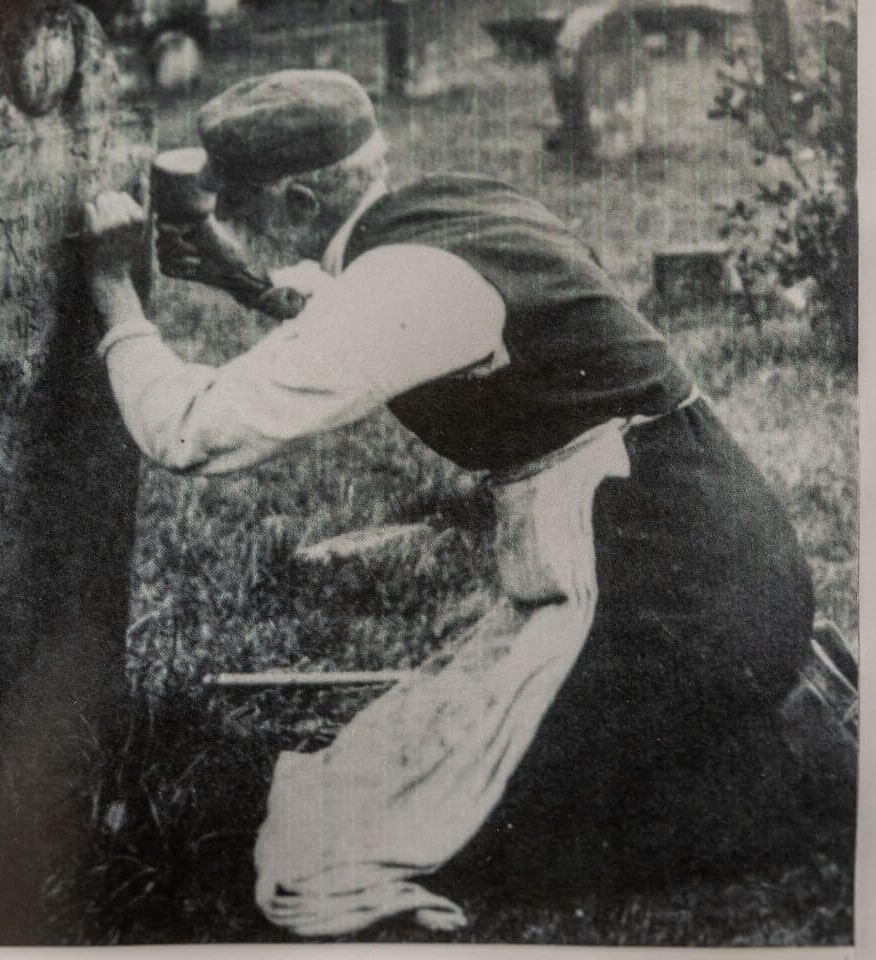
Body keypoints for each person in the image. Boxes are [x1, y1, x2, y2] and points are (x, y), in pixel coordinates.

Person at [82, 70, 856, 935]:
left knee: (466, 830)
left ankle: (807, 763)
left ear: (300, 202)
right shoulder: (459, 204)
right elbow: (397, 318)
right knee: (413, 761)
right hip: (708, 543)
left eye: (235, 206)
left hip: (673, 593)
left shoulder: (403, 285)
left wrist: (114, 298)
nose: (227, 222)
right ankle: (769, 702)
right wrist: (250, 282)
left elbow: (191, 432)